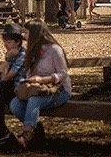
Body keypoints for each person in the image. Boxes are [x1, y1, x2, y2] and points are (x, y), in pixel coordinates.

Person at [9, 19, 72, 150]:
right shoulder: (31, 51)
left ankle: (27, 137)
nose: (23, 36)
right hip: (37, 90)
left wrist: (43, 80)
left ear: (34, 33)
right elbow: (28, 74)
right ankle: (37, 132)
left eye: (26, 32)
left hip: (59, 91)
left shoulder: (55, 50)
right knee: (15, 104)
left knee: (34, 101)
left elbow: (63, 74)